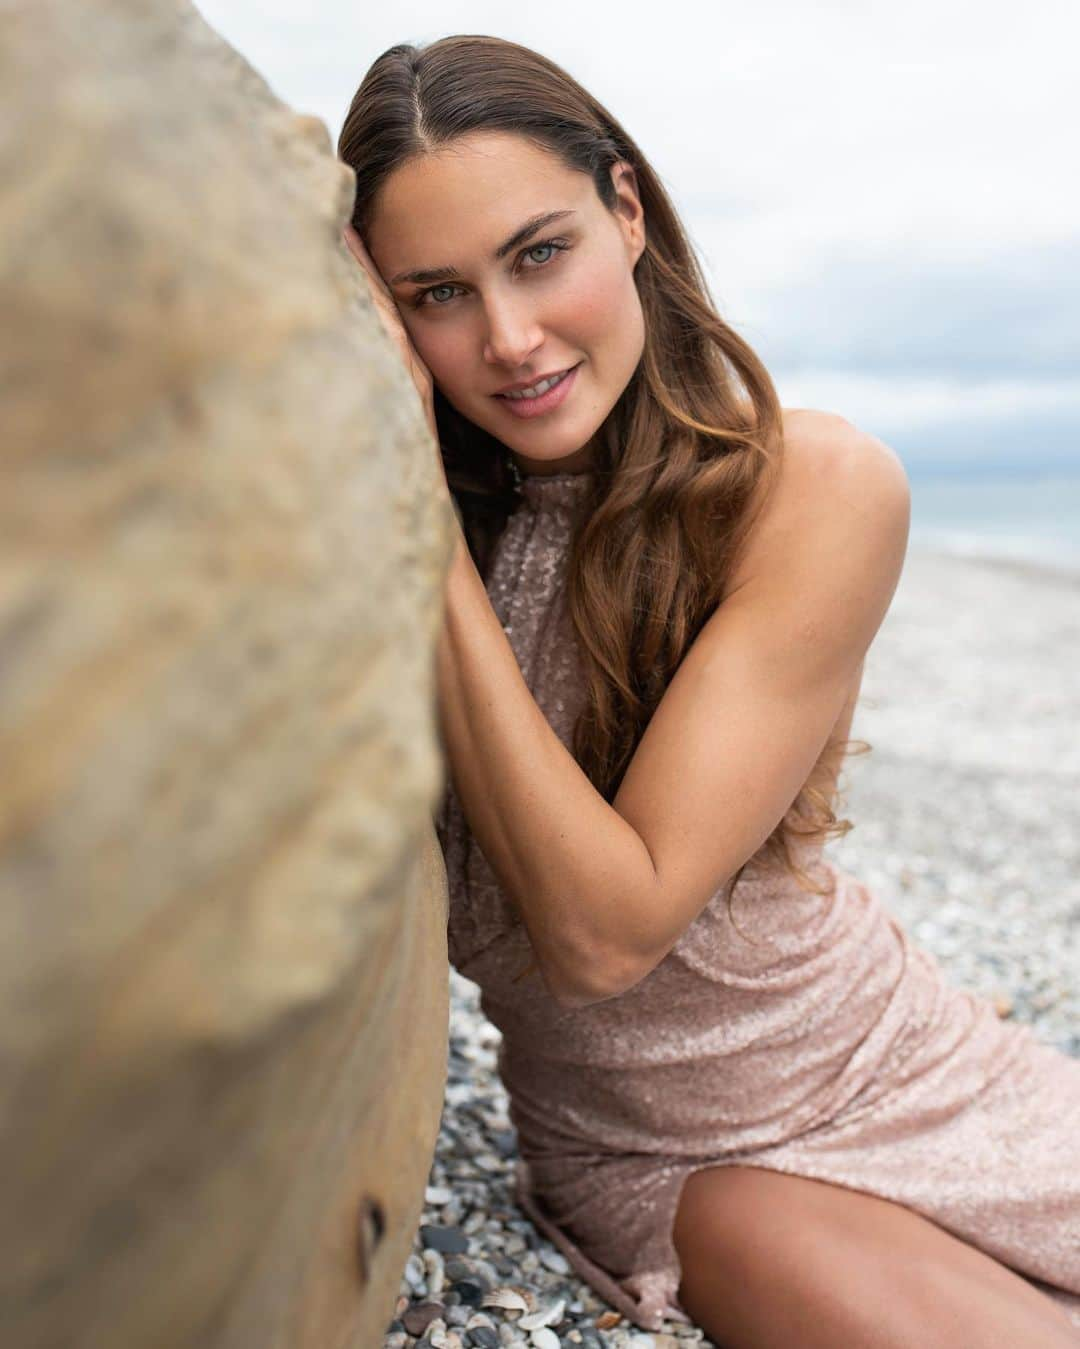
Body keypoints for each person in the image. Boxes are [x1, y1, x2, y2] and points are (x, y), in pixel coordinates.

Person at [337, 34, 1080, 1348]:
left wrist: (424, 546)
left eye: (537, 252)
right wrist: (417, 511)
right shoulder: (416, 533)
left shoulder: (814, 490)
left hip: (902, 1066)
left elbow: (616, 923)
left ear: (627, 213)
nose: (508, 340)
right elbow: (592, 947)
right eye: (437, 294)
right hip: (678, 1177)